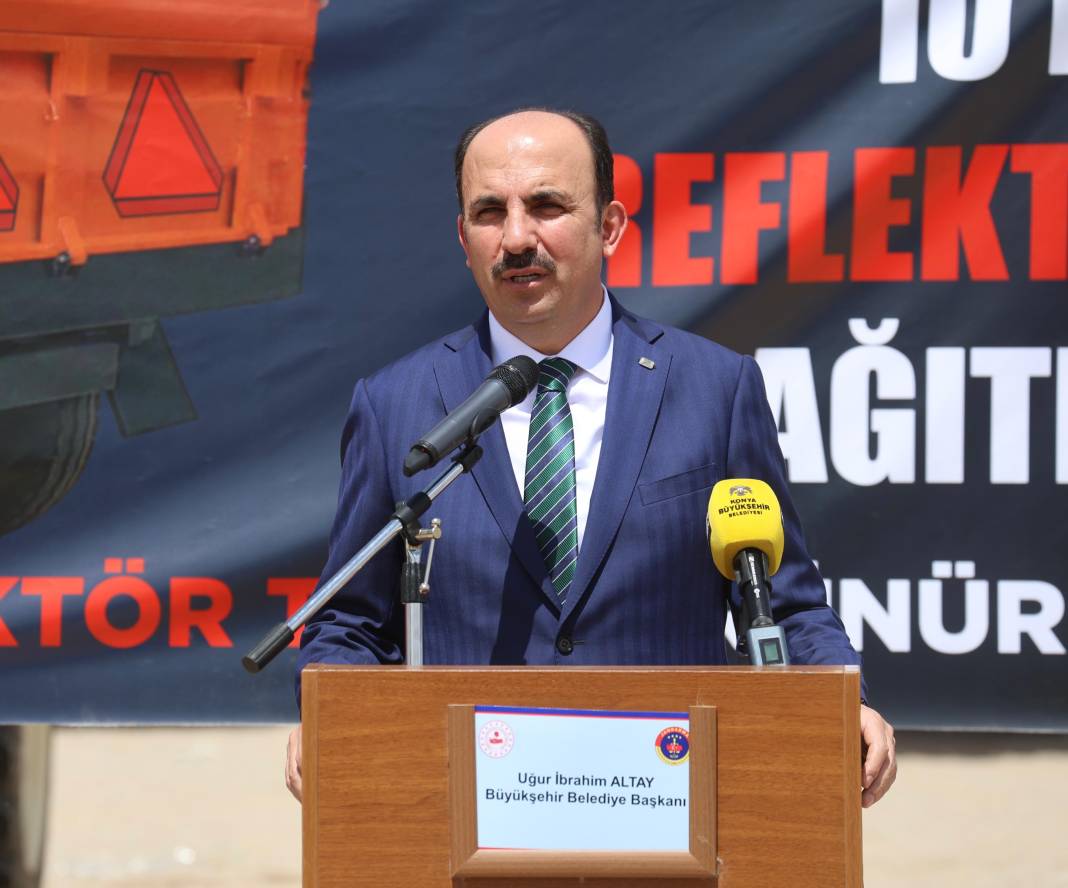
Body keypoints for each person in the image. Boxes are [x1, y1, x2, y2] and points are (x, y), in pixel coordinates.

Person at [286, 108, 896, 806]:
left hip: (668, 798)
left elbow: (780, 600)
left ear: (609, 226)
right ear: (463, 237)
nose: (517, 238)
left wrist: (840, 699)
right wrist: (328, 707)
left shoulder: (715, 388)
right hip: (466, 804)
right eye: (490, 212)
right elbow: (349, 620)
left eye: (547, 206)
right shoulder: (397, 404)